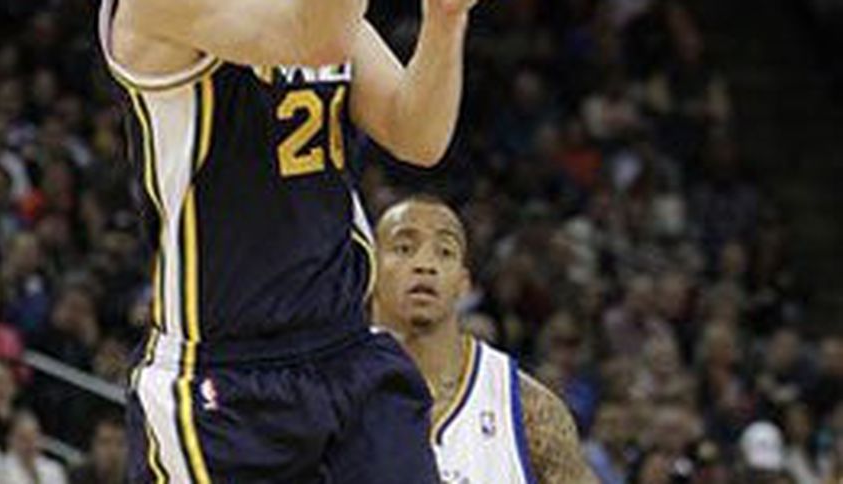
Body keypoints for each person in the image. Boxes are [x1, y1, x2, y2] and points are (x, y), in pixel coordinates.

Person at [98, 0, 480, 481]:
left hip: (347, 349)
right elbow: (318, 43)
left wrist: (446, 19)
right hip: (224, 378)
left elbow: (417, 135)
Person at [372, 196, 597, 483]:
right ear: (369, 271)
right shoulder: (333, 390)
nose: (425, 265)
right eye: (404, 248)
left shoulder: (525, 407)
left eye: (445, 252)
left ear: (463, 284)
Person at [2, 410, 68, 484]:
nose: (31, 444)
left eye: (34, 437)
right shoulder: (0, 471)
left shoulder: (54, 469)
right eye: (24, 438)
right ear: (10, 440)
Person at [69, 413, 128, 484]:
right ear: (91, 446)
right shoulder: (73, 479)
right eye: (105, 442)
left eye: (120, 444)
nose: (113, 451)